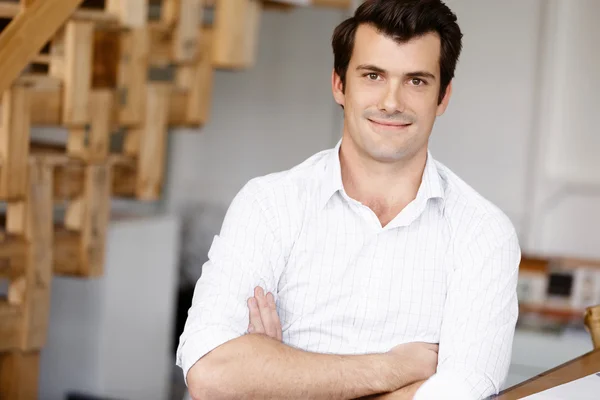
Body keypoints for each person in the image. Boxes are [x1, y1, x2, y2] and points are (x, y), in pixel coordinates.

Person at [176, 0, 521, 399]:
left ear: (442, 97)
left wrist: (276, 377)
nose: (392, 102)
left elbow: (461, 392)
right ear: (340, 85)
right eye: (373, 75)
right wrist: (394, 369)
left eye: (416, 81)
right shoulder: (268, 205)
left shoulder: (483, 233)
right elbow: (210, 373)